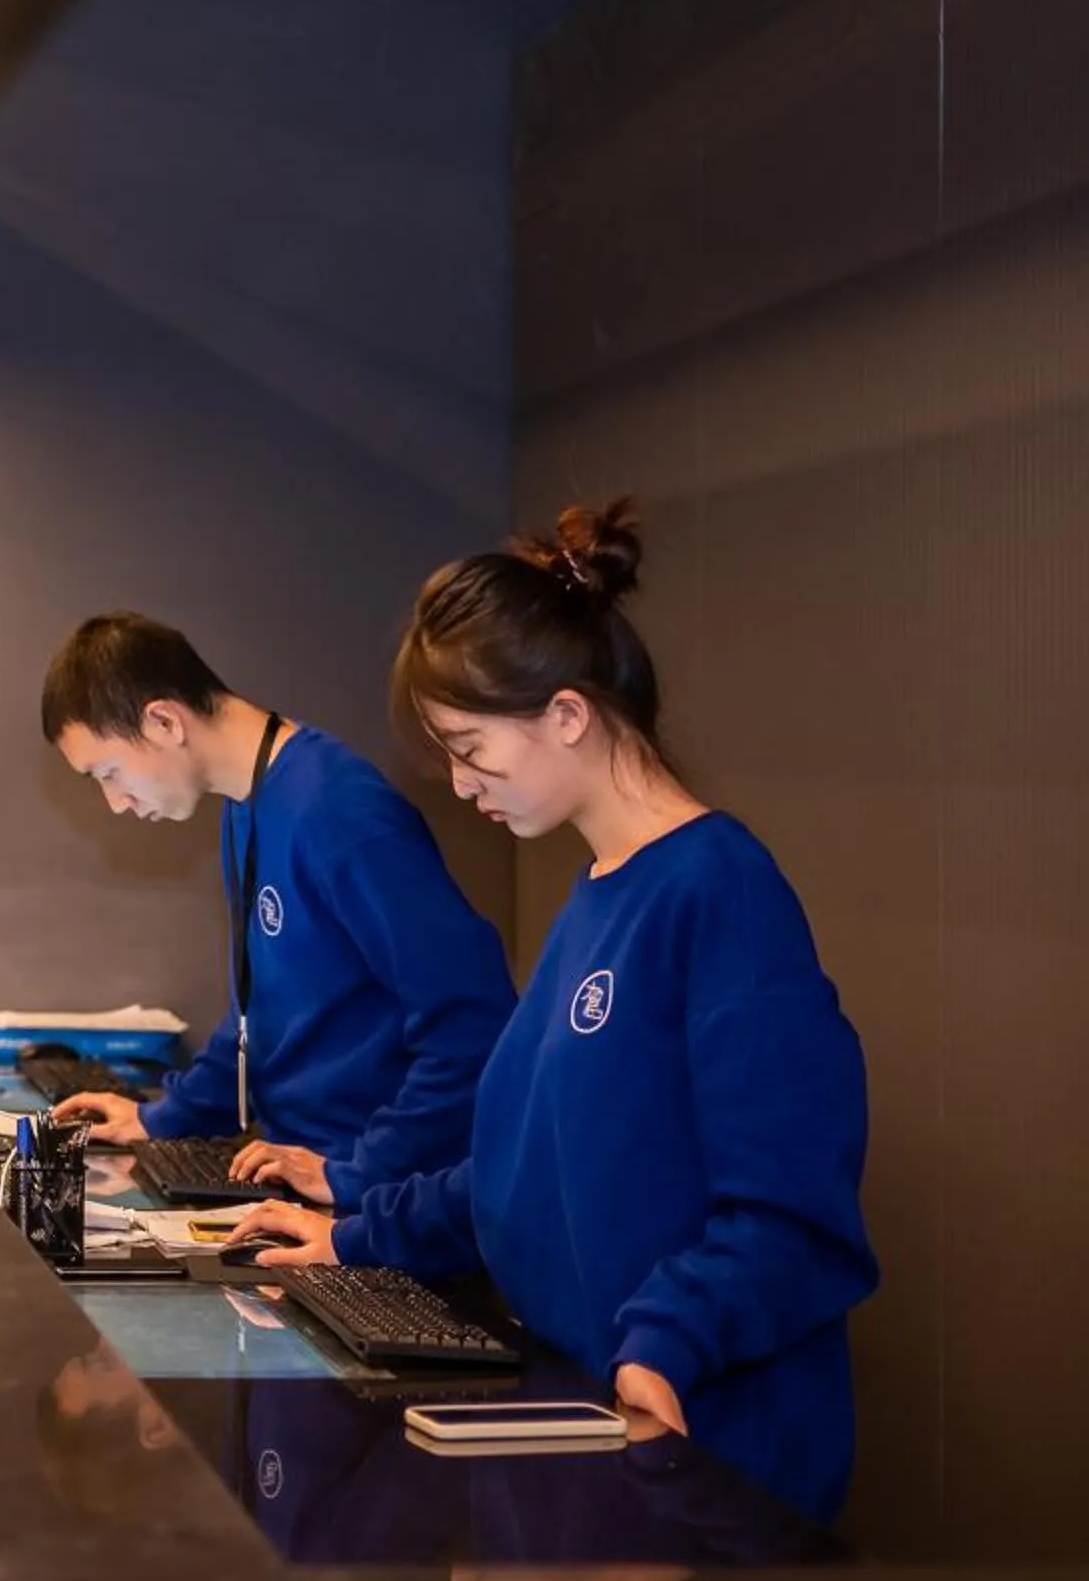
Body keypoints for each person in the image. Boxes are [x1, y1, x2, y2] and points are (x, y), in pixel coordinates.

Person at [238, 502, 880, 1524]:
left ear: (568, 714)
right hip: (584, 1436)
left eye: (471, 748)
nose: (459, 783)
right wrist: (357, 1234)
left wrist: (666, 1342)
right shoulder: (600, 887)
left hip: (706, 1470)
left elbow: (791, 1218)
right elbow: (526, 1168)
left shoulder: (720, 891)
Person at [38, 613, 516, 1210]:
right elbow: (258, 1009)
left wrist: (361, 1170)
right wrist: (163, 1116)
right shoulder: (248, 804)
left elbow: (473, 1023)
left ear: (163, 721)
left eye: (109, 773)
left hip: (382, 1202)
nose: (116, 802)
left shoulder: (340, 810)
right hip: (308, 1183)